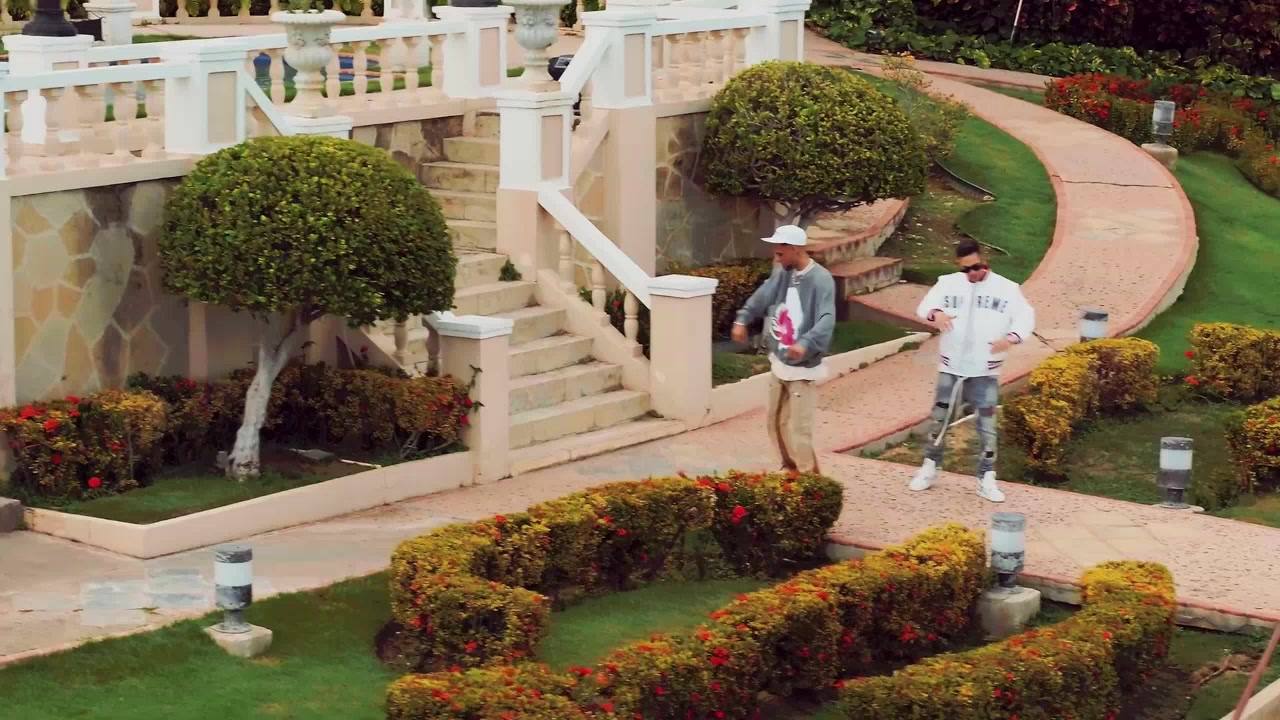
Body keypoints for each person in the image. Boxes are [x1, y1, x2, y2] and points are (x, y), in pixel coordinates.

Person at [909, 238, 1035, 503]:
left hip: (985, 370)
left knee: (987, 426)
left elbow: (1026, 316)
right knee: (939, 418)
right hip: (950, 365)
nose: (971, 274)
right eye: (965, 269)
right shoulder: (947, 283)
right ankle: (930, 466)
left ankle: (987, 477)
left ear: (984, 260)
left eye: (975, 267)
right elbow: (924, 307)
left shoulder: (1007, 289)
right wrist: (936, 315)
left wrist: (1010, 338)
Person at [731, 225, 836, 474]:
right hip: (780, 361)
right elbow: (762, 296)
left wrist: (806, 343)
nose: (776, 258)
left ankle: (810, 480)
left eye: (780, 253)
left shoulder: (821, 280)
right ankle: (790, 470)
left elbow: (827, 319)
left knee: (798, 429)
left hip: (803, 368)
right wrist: (743, 319)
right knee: (775, 422)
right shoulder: (783, 275)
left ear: (795, 249)